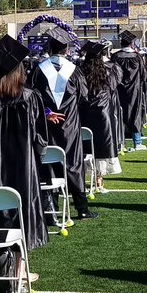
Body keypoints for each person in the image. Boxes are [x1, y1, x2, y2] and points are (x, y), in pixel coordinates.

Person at [0, 35, 47, 278]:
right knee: (23, 208)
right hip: (24, 167)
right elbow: (40, 137)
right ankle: (20, 269)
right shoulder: (30, 97)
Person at [28, 25, 94, 219]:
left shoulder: (39, 70)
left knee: (48, 163)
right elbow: (84, 95)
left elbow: (31, 97)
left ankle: (50, 210)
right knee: (73, 163)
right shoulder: (74, 70)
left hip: (46, 123)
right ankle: (82, 209)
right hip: (70, 125)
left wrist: (48, 110)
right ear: (66, 49)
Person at [80, 40, 120, 192]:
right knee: (100, 148)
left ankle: (83, 179)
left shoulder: (80, 70)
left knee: (86, 147)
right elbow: (114, 86)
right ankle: (98, 181)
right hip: (103, 113)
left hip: (84, 112)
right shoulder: (108, 70)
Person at [112, 30, 147, 150]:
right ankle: (137, 143)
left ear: (121, 43)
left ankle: (119, 144)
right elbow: (143, 75)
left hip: (118, 89)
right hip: (134, 90)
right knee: (134, 113)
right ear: (131, 44)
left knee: (119, 113)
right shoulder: (137, 57)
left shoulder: (115, 56)